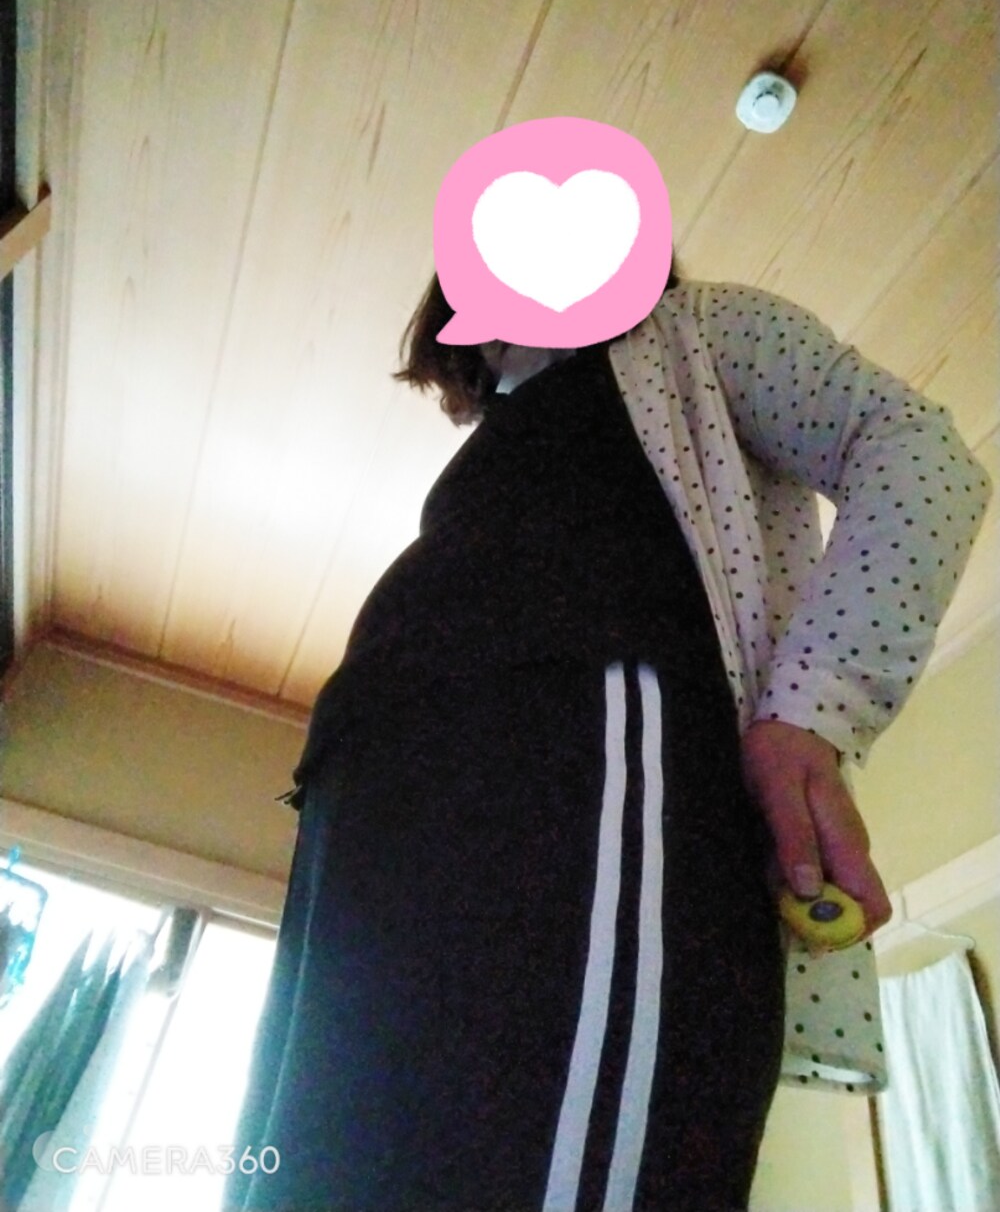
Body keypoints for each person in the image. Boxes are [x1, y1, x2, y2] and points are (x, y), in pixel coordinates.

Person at [223, 263, 991, 1212]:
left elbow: (916, 451)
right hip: (368, 806)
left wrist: (814, 707)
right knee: (325, 1159)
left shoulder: (699, 330)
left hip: (581, 744)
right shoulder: (498, 442)